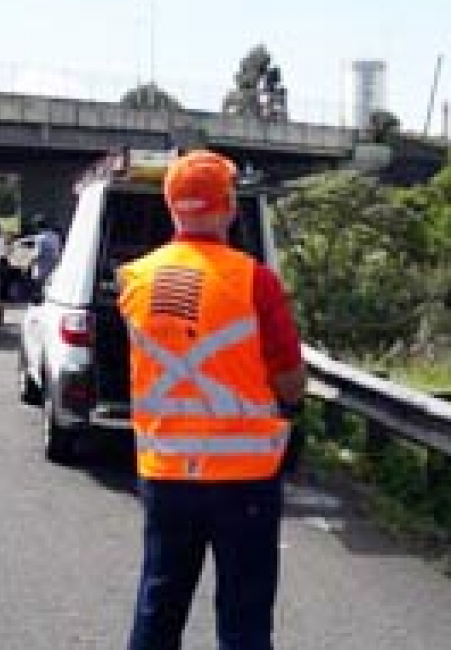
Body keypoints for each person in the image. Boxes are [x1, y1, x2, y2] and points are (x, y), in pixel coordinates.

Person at [119, 150, 307, 650]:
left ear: (170, 207)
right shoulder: (255, 280)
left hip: (166, 472)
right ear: (228, 207)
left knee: (158, 605)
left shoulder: (134, 280)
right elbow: (290, 380)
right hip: (245, 480)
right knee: (244, 618)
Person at [29, 215, 62, 301]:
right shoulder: (55, 236)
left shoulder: (40, 238)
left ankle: (38, 302)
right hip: (54, 268)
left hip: (41, 270)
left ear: (37, 227)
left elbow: (37, 254)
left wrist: (29, 262)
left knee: (38, 292)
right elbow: (58, 250)